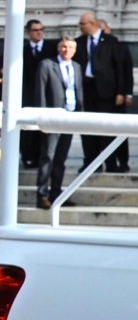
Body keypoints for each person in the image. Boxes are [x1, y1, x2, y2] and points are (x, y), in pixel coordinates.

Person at [73, 11, 132, 172]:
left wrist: (121, 92)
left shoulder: (111, 42)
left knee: (107, 128)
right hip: (86, 90)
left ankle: (110, 162)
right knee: (87, 127)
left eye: (82, 24)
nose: (80, 27)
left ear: (92, 24)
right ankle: (91, 163)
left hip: (107, 92)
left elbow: (119, 68)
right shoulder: (78, 42)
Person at [34, 36, 83, 210]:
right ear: (58, 48)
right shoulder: (47, 65)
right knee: (48, 156)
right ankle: (42, 195)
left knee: (61, 158)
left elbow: (79, 92)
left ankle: (56, 193)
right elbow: (40, 93)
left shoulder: (76, 67)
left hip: (70, 118)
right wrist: (43, 119)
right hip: (52, 118)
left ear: (75, 50)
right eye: (63, 47)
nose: (66, 50)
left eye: (70, 47)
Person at [20, 18, 54, 168]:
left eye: (41, 29)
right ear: (28, 33)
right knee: (27, 129)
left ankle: (42, 157)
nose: (39, 33)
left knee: (43, 128)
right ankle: (28, 157)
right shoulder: (21, 50)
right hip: (27, 95)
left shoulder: (51, 48)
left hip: (45, 95)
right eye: (35, 30)